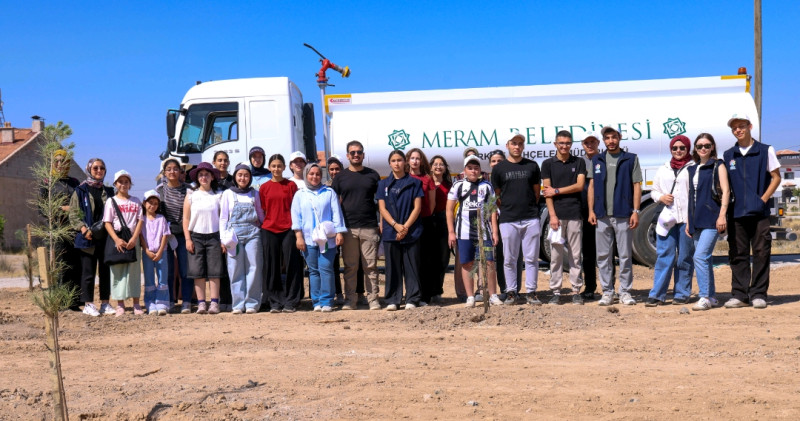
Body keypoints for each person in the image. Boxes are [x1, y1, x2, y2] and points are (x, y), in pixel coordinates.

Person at [722, 113, 781, 309]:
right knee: (737, 253)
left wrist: (762, 200)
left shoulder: (765, 150)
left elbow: (776, 177)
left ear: (750, 127)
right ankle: (740, 295)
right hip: (736, 213)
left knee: (761, 252)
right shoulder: (729, 155)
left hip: (759, 213)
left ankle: (758, 294)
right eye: (734, 128)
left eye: (741, 126)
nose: (738, 130)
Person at [588, 126, 643, 306]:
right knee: (603, 256)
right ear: (603, 140)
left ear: (619, 138)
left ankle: (625, 292)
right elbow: (592, 186)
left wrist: (635, 211)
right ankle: (607, 292)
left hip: (623, 214)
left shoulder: (630, 159)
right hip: (602, 215)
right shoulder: (597, 159)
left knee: (625, 256)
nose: (611, 141)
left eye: (614, 137)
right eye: (607, 138)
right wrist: (591, 210)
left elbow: (637, 185)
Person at [491, 129, 542, 305]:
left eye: (520, 143)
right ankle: (511, 292)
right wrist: (508, 207)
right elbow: (497, 196)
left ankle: (531, 292)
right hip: (508, 219)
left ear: (523, 146)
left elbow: (536, 193)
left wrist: (528, 207)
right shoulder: (499, 169)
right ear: (507, 145)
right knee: (509, 258)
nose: (517, 146)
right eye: (514, 143)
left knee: (531, 258)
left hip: (530, 218)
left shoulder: (532, 166)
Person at [331, 141, 383, 311]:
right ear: (347, 155)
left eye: (359, 152)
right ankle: (350, 300)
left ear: (363, 155)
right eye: (352, 152)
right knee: (350, 267)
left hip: (369, 226)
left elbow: (381, 202)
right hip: (348, 228)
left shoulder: (373, 175)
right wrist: (337, 228)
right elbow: (334, 204)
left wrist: (382, 222)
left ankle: (373, 299)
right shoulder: (340, 177)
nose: (356, 155)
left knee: (370, 266)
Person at [447, 155, 503, 308]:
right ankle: (470, 296)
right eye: (470, 168)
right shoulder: (458, 185)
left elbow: (492, 209)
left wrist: (495, 231)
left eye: (476, 168)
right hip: (464, 232)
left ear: (480, 170)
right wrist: (451, 232)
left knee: (489, 262)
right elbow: (449, 209)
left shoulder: (486, 186)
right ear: (465, 170)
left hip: (484, 232)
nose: (473, 171)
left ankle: (493, 295)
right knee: (467, 263)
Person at [646, 135, 695, 306]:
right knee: (664, 256)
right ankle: (657, 294)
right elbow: (654, 191)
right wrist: (661, 197)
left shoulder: (694, 167)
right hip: (667, 218)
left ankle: (682, 293)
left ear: (688, 148)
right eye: (675, 148)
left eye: (682, 148)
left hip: (687, 219)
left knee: (685, 257)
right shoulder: (664, 168)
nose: (678, 151)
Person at [292, 164, 347, 312]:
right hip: (308, 238)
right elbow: (296, 217)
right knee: (313, 270)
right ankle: (316, 301)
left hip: (327, 239)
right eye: (311, 174)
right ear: (306, 175)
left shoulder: (329, 192)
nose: (314, 177)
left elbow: (337, 213)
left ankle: (327, 301)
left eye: (317, 174)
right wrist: (299, 237)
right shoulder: (300, 194)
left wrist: (339, 232)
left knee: (326, 268)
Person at [541, 130, 587, 305]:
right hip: (557, 217)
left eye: (567, 143)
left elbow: (580, 185)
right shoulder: (547, 164)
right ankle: (556, 291)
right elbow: (547, 193)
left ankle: (576, 290)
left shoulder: (579, 162)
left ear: (571, 144)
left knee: (575, 255)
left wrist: (557, 190)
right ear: (555, 144)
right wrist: (552, 216)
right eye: (561, 143)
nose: (564, 146)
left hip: (575, 214)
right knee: (556, 256)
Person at [686, 133, 730, 311]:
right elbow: (691, 196)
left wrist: (722, 215)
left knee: (700, 256)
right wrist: (689, 221)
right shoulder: (692, 169)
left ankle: (703, 296)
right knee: (706, 259)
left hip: (712, 218)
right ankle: (711, 297)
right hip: (696, 219)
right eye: (699, 146)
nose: (703, 148)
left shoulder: (718, 165)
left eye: (707, 145)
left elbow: (726, 191)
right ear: (695, 149)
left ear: (712, 147)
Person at [377, 150, 424, 311]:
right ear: (389, 164)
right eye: (393, 160)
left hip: (411, 231)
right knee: (392, 267)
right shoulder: (383, 184)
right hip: (391, 231)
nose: (397, 163)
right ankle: (393, 299)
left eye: (399, 160)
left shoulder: (414, 183)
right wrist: (395, 225)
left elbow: (417, 208)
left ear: (405, 162)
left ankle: (412, 298)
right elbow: (382, 209)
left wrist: (405, 227)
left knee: (411, 266)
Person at [69, 158, 115, 317]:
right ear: (89, 170)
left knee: (105, 272)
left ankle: (105, 303)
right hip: (87, 237)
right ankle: (88, 304)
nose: (99, 170)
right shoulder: (80, 190)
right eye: (95, 168)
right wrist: (83, 230)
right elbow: (73, 214)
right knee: (88, 273)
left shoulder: (109, 191)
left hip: (105, 238)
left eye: (102, 168)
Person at [259, 154, 304, 313]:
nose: (276, 169)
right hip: (269, 229)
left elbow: (296, 208)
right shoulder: (264, 187)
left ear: (284, 167)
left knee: (292, 265)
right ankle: (275, 302)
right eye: (273, 166)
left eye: (279, 166)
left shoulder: (291, 185)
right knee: (271, 267)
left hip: (288, 229)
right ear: (269, 168)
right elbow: (263, 209)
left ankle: (291, 301)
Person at [220, 163, 265, 314]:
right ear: (235, 176)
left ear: (250, 177)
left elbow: (260, 214)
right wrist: (223, 239)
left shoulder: (254, 194)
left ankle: (252, 303)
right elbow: (223, 218)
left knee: (254, 267)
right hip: (233, 235)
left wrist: (264, 228)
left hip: (253, 234)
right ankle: (238, 304)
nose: (243, 178)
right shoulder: (227, 194)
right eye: (240, 175)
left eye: (246, 175)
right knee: (235, 269)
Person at [182, 162, 224, 314]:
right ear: (197, 178)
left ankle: (214, 303)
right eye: (201, 175)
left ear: (212, 177)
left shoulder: (219, 195)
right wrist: (188, 239)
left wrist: (223, 239)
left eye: (207, 174)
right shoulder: (191, 195)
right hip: (196, 236)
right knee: (197, 271)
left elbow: (223, 218)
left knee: (214, 271)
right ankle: (201, 303)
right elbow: (186, 218)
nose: (204, 177)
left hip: (214, 236)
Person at [103, 170, 144, 316]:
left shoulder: (136, 201)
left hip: (133, 239)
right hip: (118, 239)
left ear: (130, 184)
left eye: (126, 182)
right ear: (115, 184)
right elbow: (107, 222)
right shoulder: (111, 201)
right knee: (117, 271)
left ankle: (136, 303)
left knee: (134, 272)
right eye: (120, 182)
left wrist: (135, 238)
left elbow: (140, 220)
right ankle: (120, 304)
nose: (123, 184)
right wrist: (116, 239)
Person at [44, 149, 81, 311]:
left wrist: (75, 211)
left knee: (75, 266)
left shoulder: (75, 182)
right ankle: (59, 302)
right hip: (57, 231)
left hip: (74, 230)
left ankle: (73, 303)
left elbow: (81, 204)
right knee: (59, 266)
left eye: (63, 161)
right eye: (57, 161)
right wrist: (61, 209)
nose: (60, 164)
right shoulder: (47, 182)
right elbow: (42, 208)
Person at [327, 156, 366, 306]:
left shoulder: (348, 183)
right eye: (331, 169)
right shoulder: (326, 188)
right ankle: (338, 293)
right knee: (334, 262)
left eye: (337, 169)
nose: (334, 172)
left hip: (351, 225)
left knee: (357, 262)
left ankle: (359, 292)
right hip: (333, 230)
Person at [156, 159, 193, 313]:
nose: (172, 172)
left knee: (186, 269)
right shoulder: (159, 190)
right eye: (169, 169)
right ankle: (169, 300)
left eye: (175, 169)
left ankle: (186, 301)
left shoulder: (189, 189)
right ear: (164, 172)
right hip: (166, 235)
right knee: (168, 270)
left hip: (184, 233)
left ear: (180, 171)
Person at [407, 148, 439, 305]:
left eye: (418, 158)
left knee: (426, 260)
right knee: (411, 261)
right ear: (408, 160)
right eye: (412, 158)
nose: (415, 161)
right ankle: (412, 295)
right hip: (408, 224)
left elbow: (432, 203)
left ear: (421, 161)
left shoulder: (427, 179)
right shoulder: (404, 178)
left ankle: (425, 296)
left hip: (425, 222)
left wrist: (424, 216)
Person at [139, 190, 171, 315]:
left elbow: (165, 235)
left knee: (162, 277)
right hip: (147, 253)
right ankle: (150, 303)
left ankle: (162, 303)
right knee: (149, 278)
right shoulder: (142, 220)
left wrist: (160, 251)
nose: (152, 206)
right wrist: (146, 250)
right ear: (144, 203)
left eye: (155, 203)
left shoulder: (161, 218)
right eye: (150, 203)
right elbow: (141, 236)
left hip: (161, 252)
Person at [579, 133, 601, 301]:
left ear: (598, 143)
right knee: (588, 252)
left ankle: (609, 288)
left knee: (607, 252)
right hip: (585, 212)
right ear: (582, 144)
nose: (590, 145)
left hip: (603, 210)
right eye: (586, 142)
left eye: (592, 141)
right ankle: (590, 287)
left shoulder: (603, 159)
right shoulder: (579, 163)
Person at [429, 155, 452, 303]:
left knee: (443, 258)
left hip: (444, 222)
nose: (438, 166)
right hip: (428, 221)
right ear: (431, 167)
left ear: (445, 168)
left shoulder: (450, 185)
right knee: (429, 258)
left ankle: (437, 291)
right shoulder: (426, 182)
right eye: (435, 164)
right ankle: (427, 291)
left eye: (441, 164)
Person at [213, 151, 234, 311]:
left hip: (230, 229)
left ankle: (232, 299)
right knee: (218, 267)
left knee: (231, 265)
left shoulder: (233, 181)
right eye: (219, 160)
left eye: (225, 160)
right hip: (213, 229)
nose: (222, 163)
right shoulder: (210, 181)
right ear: (214, 162)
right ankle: (221, 299)